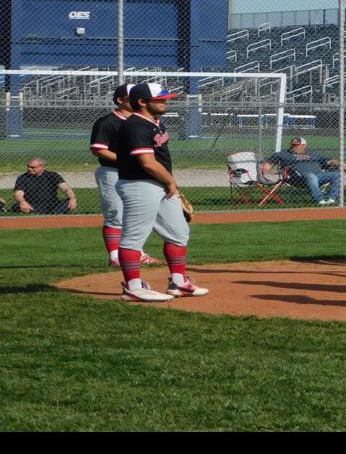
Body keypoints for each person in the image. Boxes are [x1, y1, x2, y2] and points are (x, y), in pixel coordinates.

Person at [112, 82, 205, 300]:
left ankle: (179, 283)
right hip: (139, 184)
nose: (165, 102)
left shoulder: (155, 122)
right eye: (160, 99)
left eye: (165, 99)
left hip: (160, 185)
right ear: (142, 102)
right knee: (133, 238)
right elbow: (148, 162)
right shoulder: (135, 126)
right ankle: (133, 288)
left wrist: (170, 184)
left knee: (179, 233)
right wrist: (171, 182)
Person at [88, 84, 160, 267]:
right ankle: (115, 257)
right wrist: (125, 160)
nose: (136, 99)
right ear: (121, 100)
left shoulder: (145, 121)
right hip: (112, 171)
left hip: (136, 173)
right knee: (115, 214)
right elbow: (98, 150)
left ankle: (137, 253)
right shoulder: (108, 122)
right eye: (131, 97)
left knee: (135, 215)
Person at [262, 137, 344, 205]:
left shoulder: (314, 153)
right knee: (310, 175)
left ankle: (331, 199)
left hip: (319, 176)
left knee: (338, 175)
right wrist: (263, 170)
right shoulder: (282, 154)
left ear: (304, 145)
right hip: (296, 178)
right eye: (293, 145)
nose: (294, 147)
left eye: (297, 145)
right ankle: (320, 200)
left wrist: (343, 165)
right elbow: (267, 166)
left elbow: (329, 161)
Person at [12, 158, 77, 215]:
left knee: (68, 202)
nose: (29, 169)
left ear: (42, 167)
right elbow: (18, 194)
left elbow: (66, 188)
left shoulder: (52, 175)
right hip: (32, 203)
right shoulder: (23, 178)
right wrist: (22, 202)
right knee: (17, 205)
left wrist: (72, 198)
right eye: (28, 166)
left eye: (32, 167)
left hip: (52, 203)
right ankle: (52, 213)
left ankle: (53, 213)